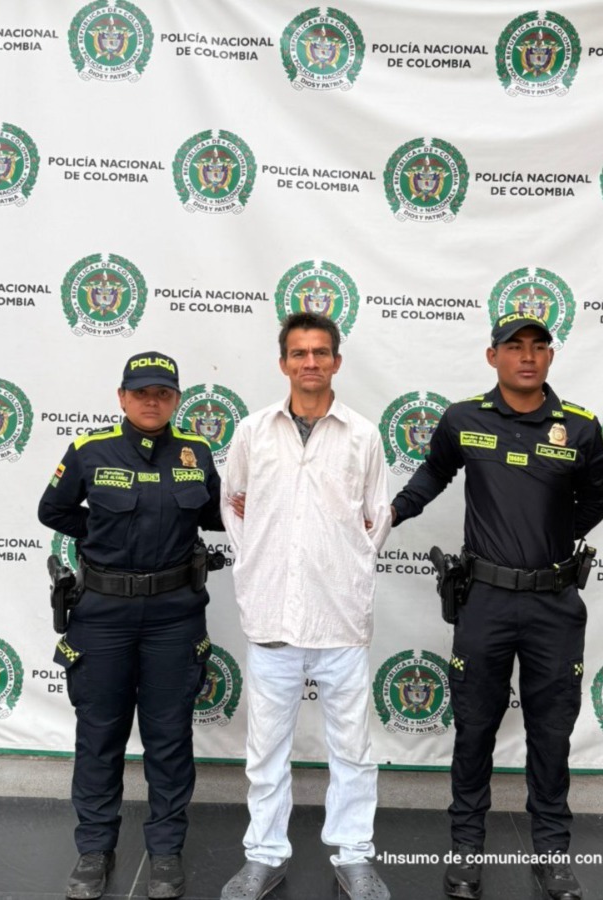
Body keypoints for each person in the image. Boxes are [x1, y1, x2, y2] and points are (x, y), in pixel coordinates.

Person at [390, 312, 603, 900]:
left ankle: (552, 852)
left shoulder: (582, 428)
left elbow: (597, 498)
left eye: (538, 347)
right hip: (484, 600)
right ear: (492, 357)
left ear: (550, 357)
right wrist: (388, 515)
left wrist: (546, 540)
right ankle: (466, 847)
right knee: (474, 728)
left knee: (551, 731)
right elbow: (433, 474)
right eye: (513, 347)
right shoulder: (465, 419)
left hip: (554, 604)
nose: (527, 357)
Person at [219, 312, 393, 900]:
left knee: (354, 749)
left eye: (321, 352)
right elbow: (234, 507)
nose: (310, 362)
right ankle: (264, 856)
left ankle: (354, 856)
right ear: (283, 363)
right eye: (299, 353)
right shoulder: (252, 432)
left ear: (337, 361)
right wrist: (258, 568)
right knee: (266, 750)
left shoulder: (364, 436)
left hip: (340, 621)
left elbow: (377, 518)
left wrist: (346, 572)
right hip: (271, 619)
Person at [38, 351, 223, 900]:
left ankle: (165, 850)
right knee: (100, 735)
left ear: (176, 399)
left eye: (162, 393)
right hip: (103, 615)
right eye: (140, 392)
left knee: (169, 736)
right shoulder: (89, 451)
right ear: (121, 397)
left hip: (174, 614)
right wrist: (102, 537)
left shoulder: (198, 452)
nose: (151, 401)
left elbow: (214, 516)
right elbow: (54, 510)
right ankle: (94, 848)